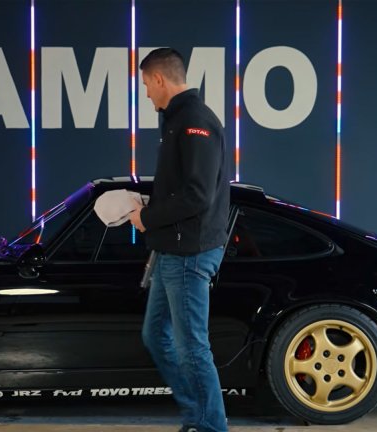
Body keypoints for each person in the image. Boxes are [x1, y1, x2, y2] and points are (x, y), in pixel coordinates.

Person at [128, 48, 230, 432]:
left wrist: (147, 217)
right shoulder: (177, 121)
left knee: (192, 349)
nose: (146, 94)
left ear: (159, 79)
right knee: (156, 335)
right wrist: (148, 207)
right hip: (172, 249)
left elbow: (197, 195)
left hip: (189, 254)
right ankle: (197, 416)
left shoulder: (194, 122)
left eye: (146, 85)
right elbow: (182, 190)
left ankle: (210, 427)